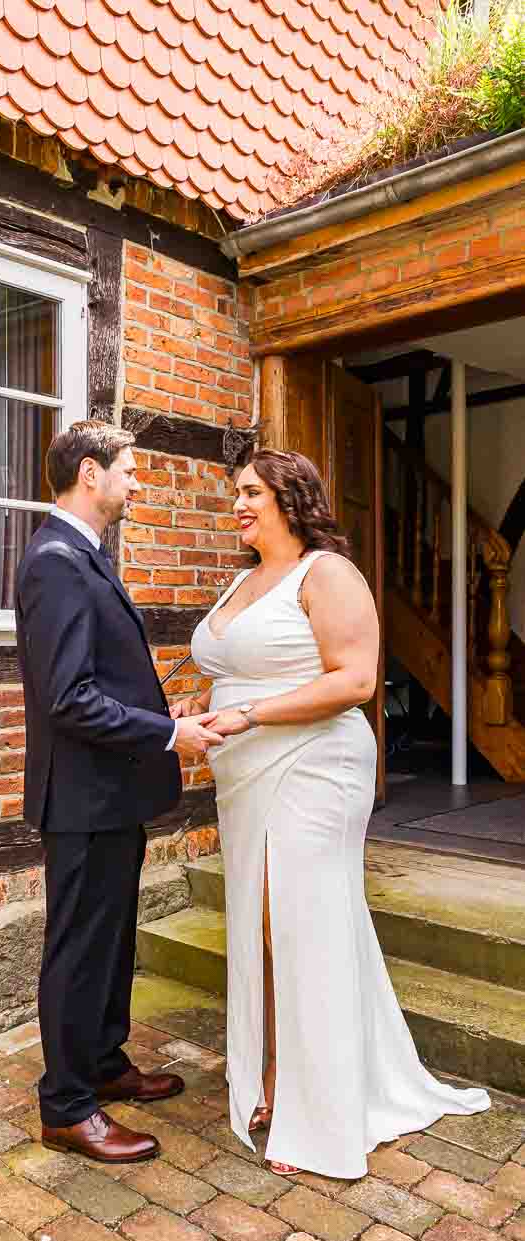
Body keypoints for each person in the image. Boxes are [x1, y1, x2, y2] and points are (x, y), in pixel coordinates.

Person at [174, 445, 490, 1179]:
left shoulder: (330, 573)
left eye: (252, 492)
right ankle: (276, 1071)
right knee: (261, 927)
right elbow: (237, 667)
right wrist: (207, 702)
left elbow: (354, 680)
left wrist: (248, 713)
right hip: (244, 775)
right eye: (237, 494)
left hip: (315, 768)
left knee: (302, 924)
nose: (240, 504)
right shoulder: (244, 580)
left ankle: (318, 1105)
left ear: (292, 495)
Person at [15, 420, 225, 1164]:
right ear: (90, 474)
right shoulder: (55, 562)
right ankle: (66, 1108)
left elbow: (100, 679)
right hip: (80, 800)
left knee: (109, 942)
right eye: (129, 471)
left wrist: (153, 719)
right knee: (76, 951)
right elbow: (68, 697)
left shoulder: (84, 556)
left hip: (111, 794)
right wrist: (169, 736)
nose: (138, 483)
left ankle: (102, 1065)